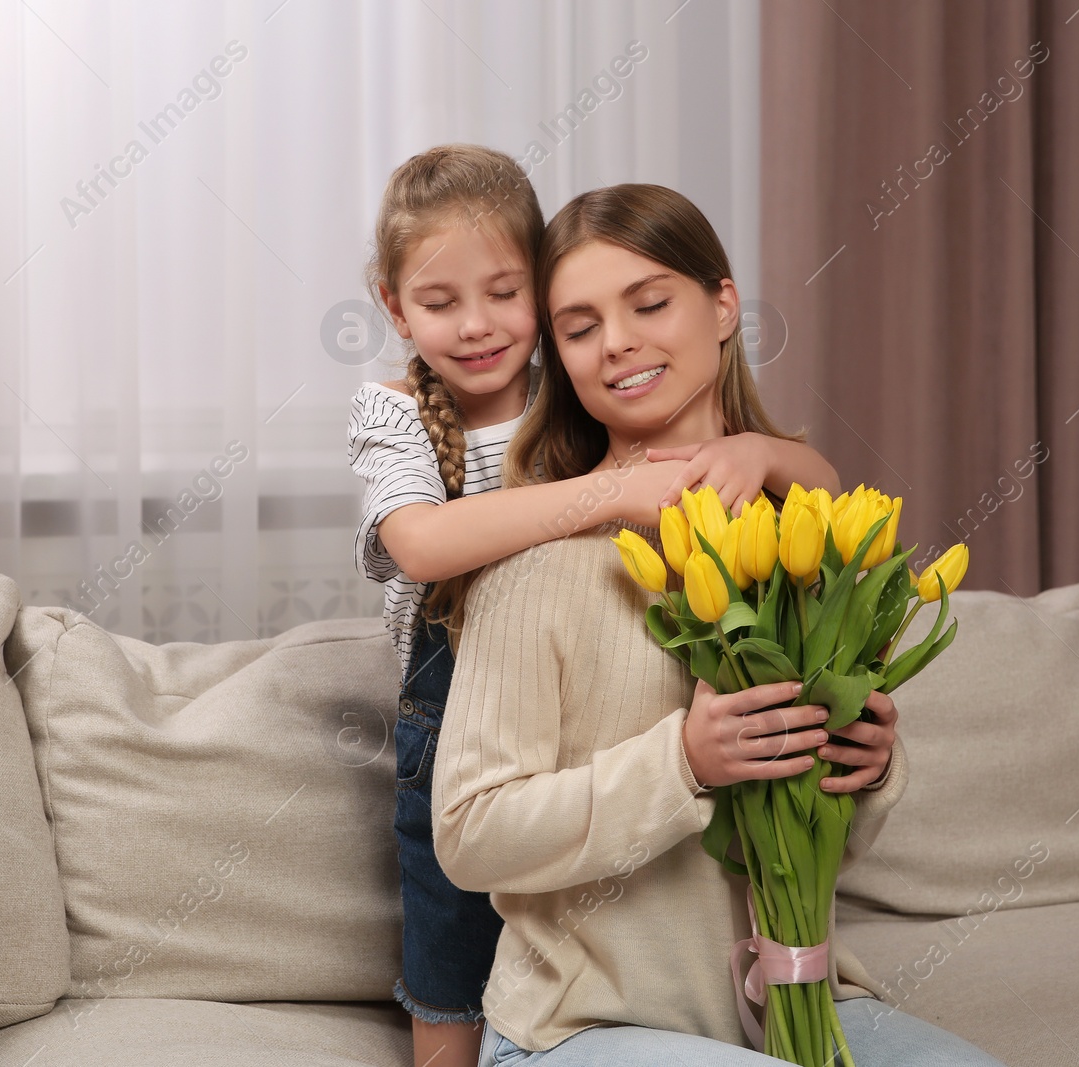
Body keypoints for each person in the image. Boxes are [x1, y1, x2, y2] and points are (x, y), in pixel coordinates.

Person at [431, 183, 1007, 1066]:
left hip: (784, 1006)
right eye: (580, 328)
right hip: (580, 1032)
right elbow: (468, 834)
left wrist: (868, 766)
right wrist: (683, 762)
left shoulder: (805, 549)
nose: (618, 340)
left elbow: (817, 844)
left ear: (725, 304)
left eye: (651, 302)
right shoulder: (540, 562)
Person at [347, 147, 848, 1067]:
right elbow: (419, 544)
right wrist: (613, 498)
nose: (476, 326)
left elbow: (835, 492)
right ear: (394, 307)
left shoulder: (580, 412)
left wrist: (763, 459)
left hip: (740, 975)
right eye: (438, 301)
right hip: (441, 693)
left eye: (504, 295)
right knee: (447, 958)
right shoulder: (406, 416)